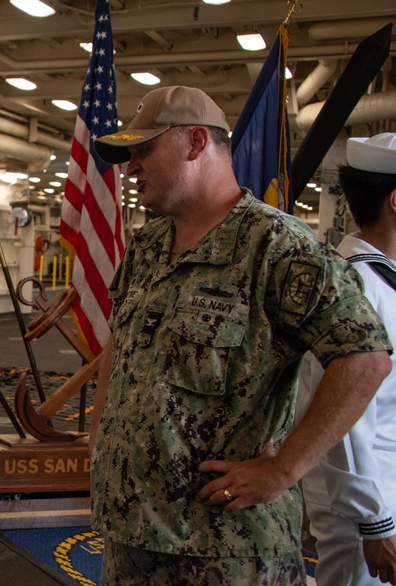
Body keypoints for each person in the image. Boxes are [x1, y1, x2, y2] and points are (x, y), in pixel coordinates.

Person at [88, 85, 393, 585]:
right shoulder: (147, 246)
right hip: (131, 535)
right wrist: (100, 446)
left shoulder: (276, 246)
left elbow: (366, 358)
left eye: (144, 150)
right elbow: (120, 348)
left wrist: (283, 470)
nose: (131, 166)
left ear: (195, 143)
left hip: (227, 551)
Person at [298, 133, 396, 585]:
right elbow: (344, 418)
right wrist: (375, 520)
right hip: (366, 503)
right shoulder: (354, 286)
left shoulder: (382, 280)